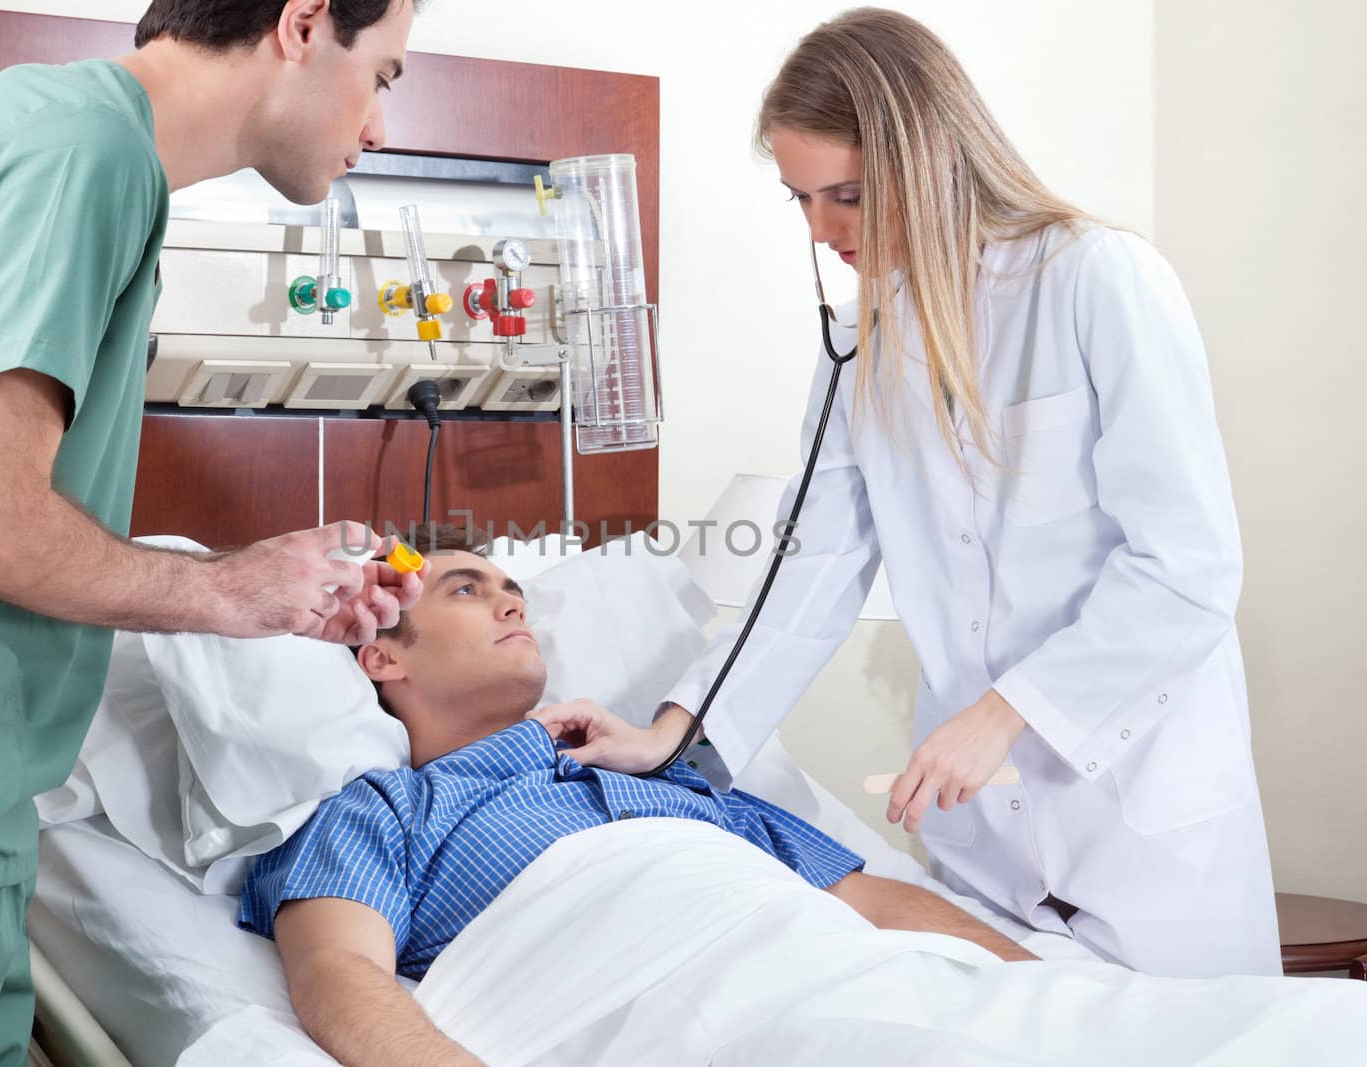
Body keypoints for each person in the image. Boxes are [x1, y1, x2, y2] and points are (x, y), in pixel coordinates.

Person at [534, 7, 1280, 979]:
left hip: (1145, 826)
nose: (819, 228)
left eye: (842, 194)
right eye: (799, 200)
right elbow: (807, 576)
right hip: (983, 843)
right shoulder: (861, 343)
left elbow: (1185, 569)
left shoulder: (1098, 279)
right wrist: (673, 732)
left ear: (926, 154)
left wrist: (1007, 709)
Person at [0, 2, 424, 1062]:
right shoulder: (87, 154)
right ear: (303, 24)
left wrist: (257, 584)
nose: (383, 122)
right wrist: (227, 592)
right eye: (385, 74)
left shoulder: (59, 131)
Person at [239, 526, 1039, 1067]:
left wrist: (1038, 981)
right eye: (466, 590)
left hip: (856, 984)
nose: (512, 601)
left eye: (511, 586)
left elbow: (872, 900)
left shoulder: (667, 778)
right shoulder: (384, 810)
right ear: (383, 659)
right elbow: (338, 971)